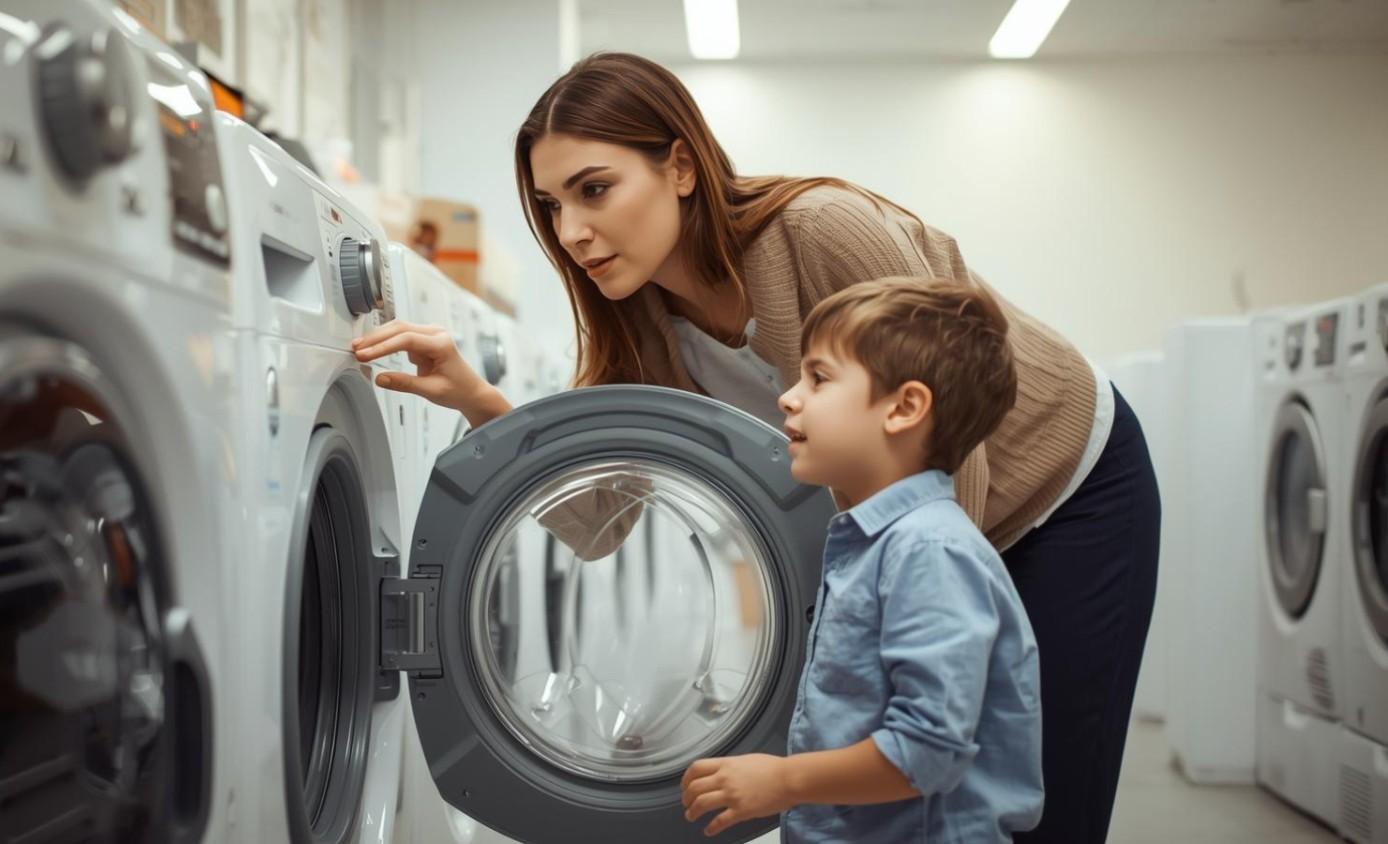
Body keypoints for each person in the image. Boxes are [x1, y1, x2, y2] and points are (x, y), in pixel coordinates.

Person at [351, 52, 1161, 841]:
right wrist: (478, 401)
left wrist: (901, 599)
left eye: (594, 190)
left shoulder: (819, 230)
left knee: (1035, 793)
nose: (574, 232)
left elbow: (945, 433)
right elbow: (600, 526)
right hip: (921, 530)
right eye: (552, 206)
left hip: (1064, 484)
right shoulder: (639, 325)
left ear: (679, 167)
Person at [680, 278, 1042, 842]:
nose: (788, 396)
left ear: (904, 408)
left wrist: (784, 782)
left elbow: (927, 750)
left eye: (818, 378)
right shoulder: (873, 542)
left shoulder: (929, 554)